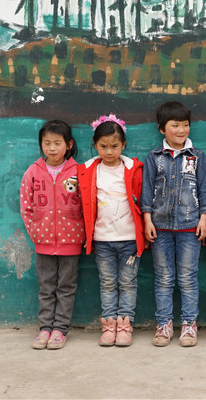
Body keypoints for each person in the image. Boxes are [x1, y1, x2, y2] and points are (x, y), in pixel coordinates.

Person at [140, 101, 206, 347]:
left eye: (185, 125)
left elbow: (205, 189)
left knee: (188, 277)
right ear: (162, 128)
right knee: (163, 277)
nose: (181, 130)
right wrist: (147, 219)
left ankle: (189, 325)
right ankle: (164, 324)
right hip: (160, 227)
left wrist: (204, 218)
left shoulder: (197, 157)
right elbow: (146, 191)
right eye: (175, 125)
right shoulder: (154, 158)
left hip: (190, 227)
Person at [78, 114, 144, 347]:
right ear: (95, 145)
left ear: (123, 145)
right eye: (103, 146)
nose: (109, 151)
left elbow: (142, 202)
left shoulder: (134, 169)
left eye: (114, 146)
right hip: (102, 240)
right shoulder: (88, 171)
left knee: (128, 283)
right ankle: (108, 326)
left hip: (129, 240)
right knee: (107, 283)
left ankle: (125, 326)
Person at [20, 120, 85, 350]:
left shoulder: (78, 172)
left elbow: (86, 205)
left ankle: (60, 329)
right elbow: (26, 206)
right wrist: (35, 232)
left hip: (71, 241)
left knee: (66, 287)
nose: (52, 148)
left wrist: (83, 233)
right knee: (46, 288)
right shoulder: (33, 172)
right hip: (43, 242)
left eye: (57, 143)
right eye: (47, 143)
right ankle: (45, 328)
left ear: (69, 145)